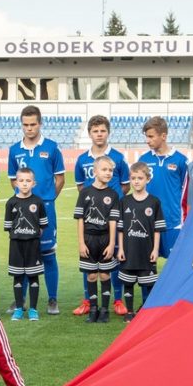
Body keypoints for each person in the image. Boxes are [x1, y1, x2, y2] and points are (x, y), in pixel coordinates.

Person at [7, 105, 65, 315]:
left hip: (46, 208)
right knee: (23, 254)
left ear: (40, 124)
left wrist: (46, 201)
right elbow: (13, 179)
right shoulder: (14, 149)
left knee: (48, 254)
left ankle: (52, 299)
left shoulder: (51, 148)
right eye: (25, 124)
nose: (29, 128)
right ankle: (20, 299)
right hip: (22, 212)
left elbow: (60, 178)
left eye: (33, 124)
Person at [73, 114, 130, 318]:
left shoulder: (118, 157)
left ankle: (116, 299)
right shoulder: (82, 159)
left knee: (112, 258)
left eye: (103, 130)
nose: (99, 134)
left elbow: (125, 184)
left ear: (108, 132)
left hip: (112, 215)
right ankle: (88, 301)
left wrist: (111, 200)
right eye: (95, 131)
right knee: (89, 260)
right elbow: (81, 186)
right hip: (91, 220)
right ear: (89, 133)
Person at [75, 156, 121, 323]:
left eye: (110, 170)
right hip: (88, 239)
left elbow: (113, 221)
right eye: (104, 169)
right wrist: (81, 242)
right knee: (92, 276)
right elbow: (80, 219)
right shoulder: (85, 193)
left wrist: (111, 244)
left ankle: (104, 310)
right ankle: (93, 308)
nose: (108, 173)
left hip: (105, 239)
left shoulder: (113, 195)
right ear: (94, 172)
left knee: (105, 275)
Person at [117, 161, 164, 322]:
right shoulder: (124, 201)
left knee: (149, 283)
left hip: (147, 250)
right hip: (129, 250)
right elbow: (121, 229)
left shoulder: (154, 202)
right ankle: (129, 312)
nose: (136, 181)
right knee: (128, 282)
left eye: (140, 178)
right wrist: (121, 249)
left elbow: (157, 229)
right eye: (133, 178)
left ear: (147, 180)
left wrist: (155, 249)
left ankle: (146, 311)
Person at [139, 116, 186, 259]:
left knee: (174, 265)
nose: (148, 140)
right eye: (146, 137)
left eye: (151, 136)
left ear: (163, 136)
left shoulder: (181, 160)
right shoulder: (143, 160)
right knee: (147, 266)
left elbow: (187, 191)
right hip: (148, 222)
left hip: (173, 221)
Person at [3, 168, 48, 321]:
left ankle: (33, 309)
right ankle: (19, 309)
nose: (24, 184)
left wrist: (31, 235)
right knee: (18, 277)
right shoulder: (11, 202)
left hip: (33, 245)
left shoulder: (38, 202)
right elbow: (8, 226)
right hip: (16, 245)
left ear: (33, 183)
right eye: (21, 181)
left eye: (28, 181)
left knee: (33, 276)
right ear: (15, 183)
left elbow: (42, 226)